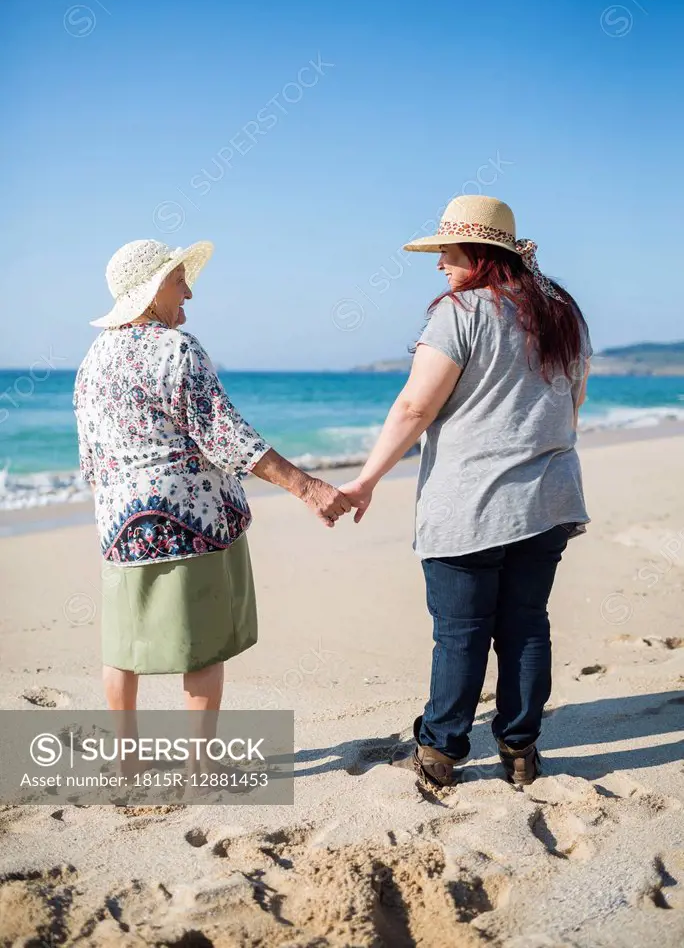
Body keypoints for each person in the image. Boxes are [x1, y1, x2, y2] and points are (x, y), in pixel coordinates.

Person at [340, 195, 592, 787]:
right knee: (527, 624)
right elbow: (574, 401)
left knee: (460, 631)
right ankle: (521, 751)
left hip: (471, 502)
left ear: (478, 254)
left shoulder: (462, 312)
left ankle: (442, 752)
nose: (439, 264)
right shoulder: (563, 314)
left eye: (447, 251)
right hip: (549, 498)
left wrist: (365, 480)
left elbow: (414, 406)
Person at [74, 238, 352, 724]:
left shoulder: (92, 359)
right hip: (188, 522)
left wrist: (115, 511)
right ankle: (198, 765)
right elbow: (225, 436)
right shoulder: (176, 348)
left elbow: (92, 459)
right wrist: (308, 488)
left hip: (120, 526)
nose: (189, 294)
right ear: (156, 288)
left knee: (121, 647)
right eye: (180, 281)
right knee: (201, 646)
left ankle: (127, 759)